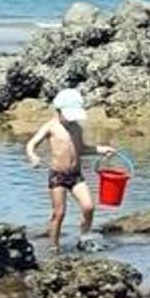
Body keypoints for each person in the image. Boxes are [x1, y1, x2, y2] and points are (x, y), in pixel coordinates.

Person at [24, 88, 116, 252]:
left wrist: (101, 149)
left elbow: (81, 149)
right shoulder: (51, 127)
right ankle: (54, 246)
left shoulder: (76, 128)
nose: (72, 119)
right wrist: (33, 157)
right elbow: (31, 144)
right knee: (59, 213)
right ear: (58, 111)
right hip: (58, 176)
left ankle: (84, 238)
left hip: (76, 175)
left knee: (88, 207)